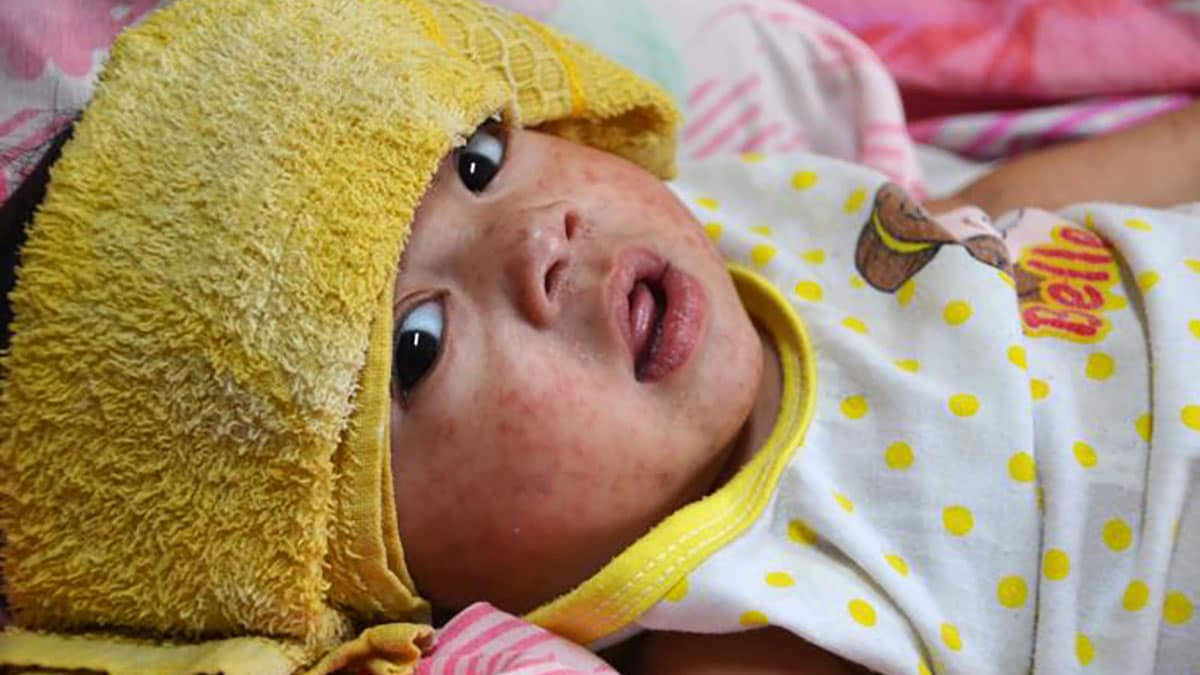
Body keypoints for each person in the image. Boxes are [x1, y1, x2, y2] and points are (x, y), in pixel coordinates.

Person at [0, 0, 1196, 673]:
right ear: (375, 570)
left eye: (476, 161)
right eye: (417, 344)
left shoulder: (720, 227)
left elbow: (1012, 219)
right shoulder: (740, 620)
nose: (538, 238)